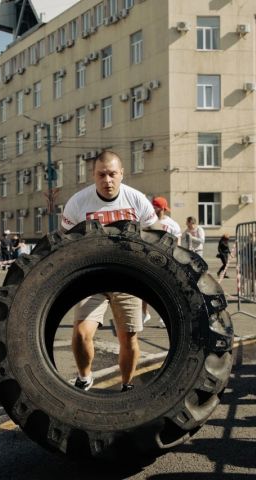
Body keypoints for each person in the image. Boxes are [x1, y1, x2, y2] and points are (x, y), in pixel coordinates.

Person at [61, 150, 157, 392]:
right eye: (101, 175)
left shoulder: (136, 200)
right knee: (81, 333)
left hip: (128, 280)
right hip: (92, 279)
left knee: (128, 338)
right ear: (93, 175)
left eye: (112, 174)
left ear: (122, 173)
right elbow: (65, 243)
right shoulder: (78, 202)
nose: (107, 180)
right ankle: (84, 377)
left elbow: (154, 239)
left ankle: (127, 385)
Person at [143, 196, 181, 327]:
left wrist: (175, 260)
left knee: (165, 290)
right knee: (144, 286)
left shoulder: (172, 224)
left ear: (162, 208)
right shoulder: (147, 222)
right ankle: (144, 313)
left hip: (166, 261)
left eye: (155, 206)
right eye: (152, 206)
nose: (153, 208)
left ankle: (163, 317)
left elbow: (178, 243)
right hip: (149, 258)